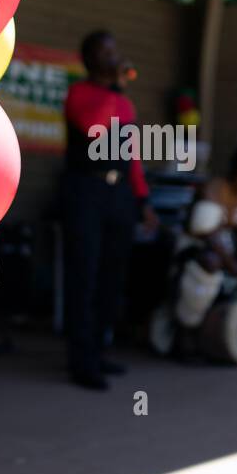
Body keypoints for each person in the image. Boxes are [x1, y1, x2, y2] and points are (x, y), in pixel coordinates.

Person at [61, 30, 159, 390]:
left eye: (114, 50)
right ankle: (81, 361)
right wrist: (113, 89)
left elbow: (131, 155)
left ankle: (101, 349)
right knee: (84, 274)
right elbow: (93, 127)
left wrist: (143, 200)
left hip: (118, 194)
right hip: (85, 189)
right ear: (89, 59)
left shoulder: (124, 102)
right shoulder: (80, 94)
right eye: (105, 51)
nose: (113, 56)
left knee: (111, 277)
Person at [168, 142, 237, 360]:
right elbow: (209, 239)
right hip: (193, 255)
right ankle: (185, 330)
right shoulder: (215, 189)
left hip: (228, 259)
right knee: (210, 261)